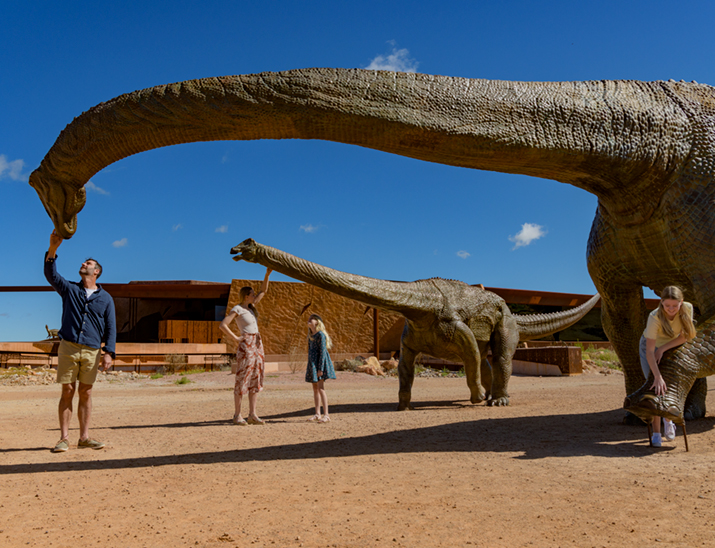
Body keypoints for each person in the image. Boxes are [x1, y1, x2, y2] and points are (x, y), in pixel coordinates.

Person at [44, 229, 116, 453]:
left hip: (92, 350)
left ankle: (84, 437)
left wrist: (109, 352)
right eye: (85, 262)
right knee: (67, 390)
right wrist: (53, 248)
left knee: (86, 391)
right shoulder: (70, 290)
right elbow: (51, 275)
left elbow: (111, 326)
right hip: (68, 347)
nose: (85, 263)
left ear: (97, 272)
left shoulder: (106, 298)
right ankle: (64, 438)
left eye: (90, 263)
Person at [639, 285, 696, 447]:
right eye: (667, 305)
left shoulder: (687, 308)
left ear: (681, 302)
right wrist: (656, 376)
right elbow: (650, 351)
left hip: (671, 346)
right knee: (655, 388)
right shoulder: (654, 317)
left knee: (669, 386)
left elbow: (686, 336)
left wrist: (663, 349)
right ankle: (656, 432)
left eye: (675, 305)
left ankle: (668, 419)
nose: (671, 309)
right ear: (661, 302)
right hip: (649, 348)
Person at [219, 268, 272, 425]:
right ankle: (237, 415)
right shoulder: (238, 309)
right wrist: (236, 337)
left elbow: (264, 290)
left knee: (256, 377)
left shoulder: (251, 308)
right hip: (246, 344)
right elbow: (223, 324)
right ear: (246, 295)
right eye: (252, 294)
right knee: (243, 377)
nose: (255, 295)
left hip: (257, 343)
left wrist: (267, 274)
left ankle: (252, 414)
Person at [305, 314, 336, 423]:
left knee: (321, 388)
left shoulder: (321, 335)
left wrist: (320, 368)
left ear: (317, 322)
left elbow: (323, 352)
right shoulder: (310, 336)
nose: (309, 320)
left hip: (319, 364)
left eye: (311, 318)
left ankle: (326, 415)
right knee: (315, 388)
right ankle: (317, 413)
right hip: (313, 364)